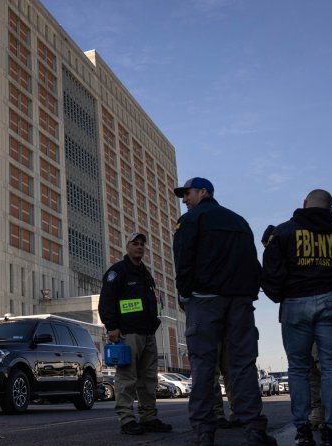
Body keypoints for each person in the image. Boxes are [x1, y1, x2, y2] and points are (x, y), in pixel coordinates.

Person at [172, 177, 277, 446]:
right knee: (242, 364)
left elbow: (183, 258)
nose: (185, 200)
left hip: (205, 301)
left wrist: (185, 294)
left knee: (204, 365)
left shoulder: (192, 220)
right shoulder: (238, 221)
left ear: (203, 192)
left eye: (188, 194)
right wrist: (249, 293)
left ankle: (204, 431)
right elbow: (251, 261)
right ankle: (254, 428)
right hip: (239, 302)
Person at [262, 189, 332, 446]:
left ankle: (303, 430)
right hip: (330, 301)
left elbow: (270, 271)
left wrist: (278, 294)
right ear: (330, 209)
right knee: (331, 368)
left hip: (295, 303)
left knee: (298, 369)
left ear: (305, 204)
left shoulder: (284, 232)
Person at [98, 232, 173, 435]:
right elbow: (106, 302)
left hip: (148, 334)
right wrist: (112, 326)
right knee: (127, 379)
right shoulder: (117, 272)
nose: (139, 247)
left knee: (149, 380)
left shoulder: (145, 274)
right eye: (135, 244)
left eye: (142, 244)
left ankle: (149, 417)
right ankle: (127, 419)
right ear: (127, 246)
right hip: (128, 334)